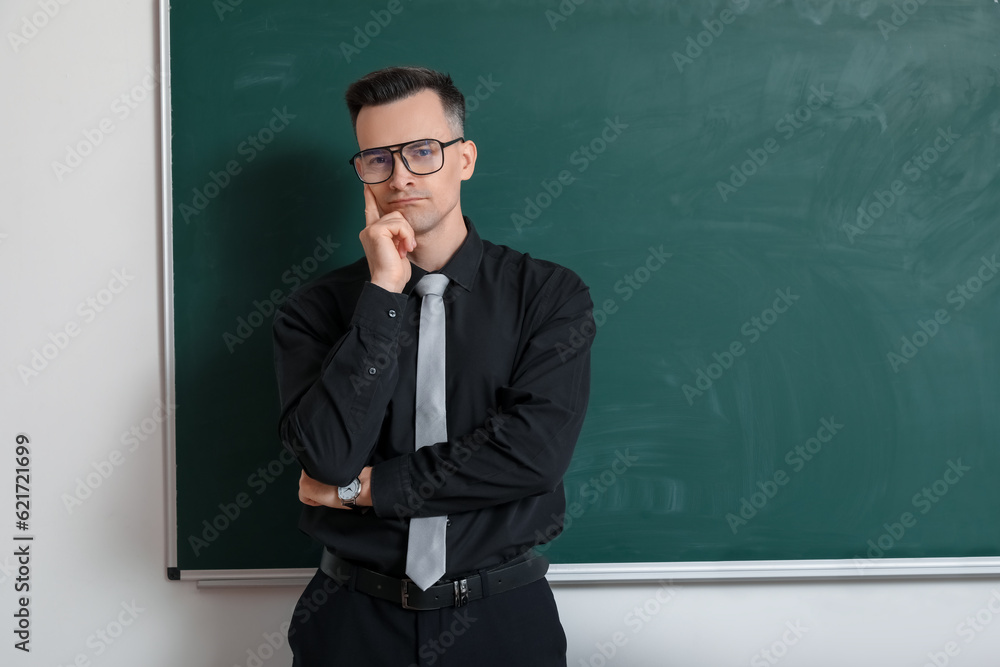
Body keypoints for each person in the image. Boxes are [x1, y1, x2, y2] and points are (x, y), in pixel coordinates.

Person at [271, 65, 595, 666]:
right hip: (350, 623)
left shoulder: (549, 296)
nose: (400, 177)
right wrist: (385, 295)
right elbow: (329, 456)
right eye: (377, 159)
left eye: (423, 152)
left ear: (464, 158)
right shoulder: (313, 309)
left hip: (503, 621)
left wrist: (362, 492)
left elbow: (532, 456)